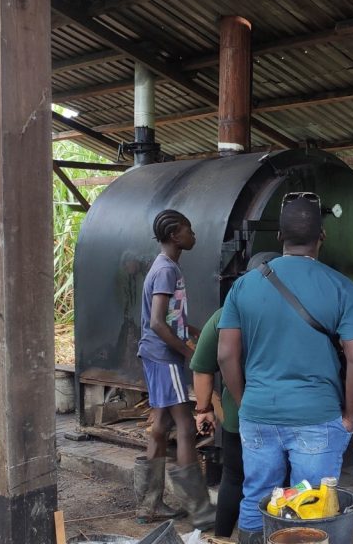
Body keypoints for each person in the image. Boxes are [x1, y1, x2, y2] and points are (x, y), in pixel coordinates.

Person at [216, 193, 353, 544]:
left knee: (257, 497)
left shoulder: (244, 285)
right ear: (322, 237)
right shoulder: (342, 287)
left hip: (259, 410)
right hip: (317, 416)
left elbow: (226, 355)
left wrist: (244, 402)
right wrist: (349, 416)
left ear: (279, 237)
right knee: (312, 504)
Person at [134, 209, 214, 530]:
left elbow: (169, 318)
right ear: (173, 236)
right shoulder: (167, 270)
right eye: (188, 230)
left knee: (161, 424)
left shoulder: (166, 266)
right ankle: (200, 510)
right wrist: (188, 353)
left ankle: (149, 505)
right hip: (164, 357)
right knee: (185, 426)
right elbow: (157, 322)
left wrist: (196, 332)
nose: (193, 235)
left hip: (155, 355)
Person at [191, 251, 278, 537]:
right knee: (282, 484)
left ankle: (221, 538)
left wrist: (203, 409)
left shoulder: (225, 315)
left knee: (234, 478)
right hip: (284, 414)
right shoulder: (290, 316)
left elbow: (202, 368)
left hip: (239, 416)